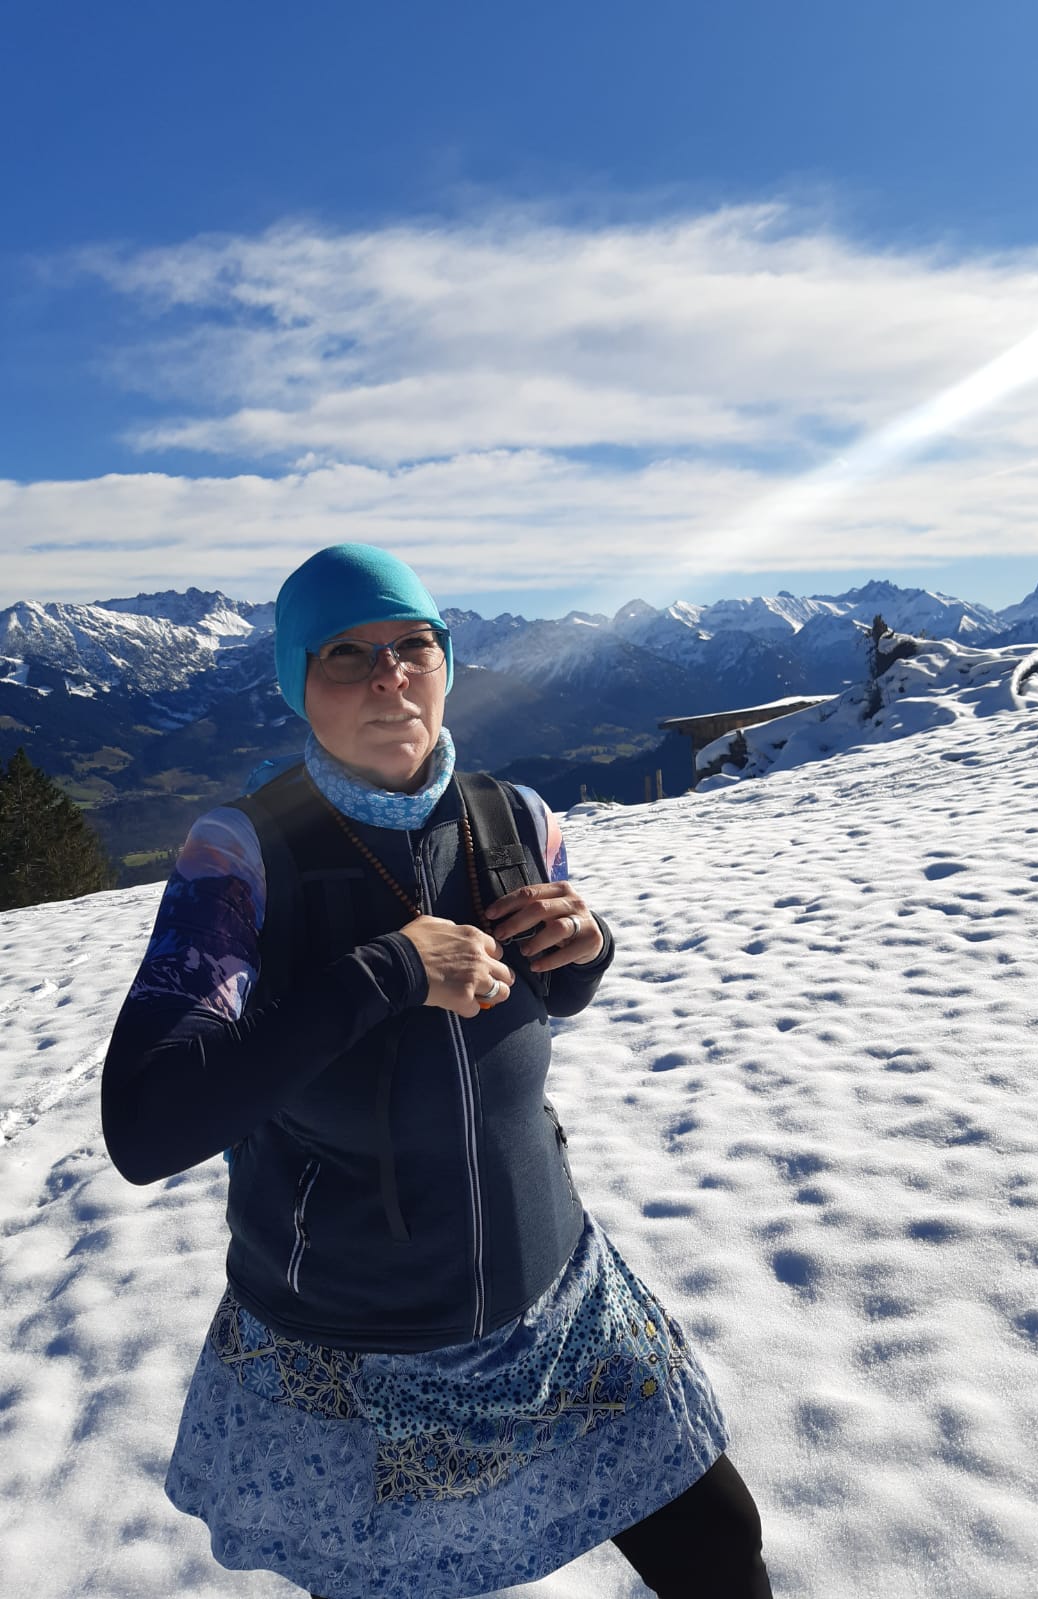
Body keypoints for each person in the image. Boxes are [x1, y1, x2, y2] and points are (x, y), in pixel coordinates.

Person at [102, 543, 772, 1599]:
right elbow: (148, 1122)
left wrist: (585, 950)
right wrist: (387, 972)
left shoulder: (517, 818)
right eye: (347, 653)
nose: (390, 676)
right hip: (356, 1355)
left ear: (447, 664)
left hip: (556, 1302)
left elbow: (543, 1004)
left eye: (414, 646)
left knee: (720, 1545)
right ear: (296, 680)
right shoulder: (240, 858)